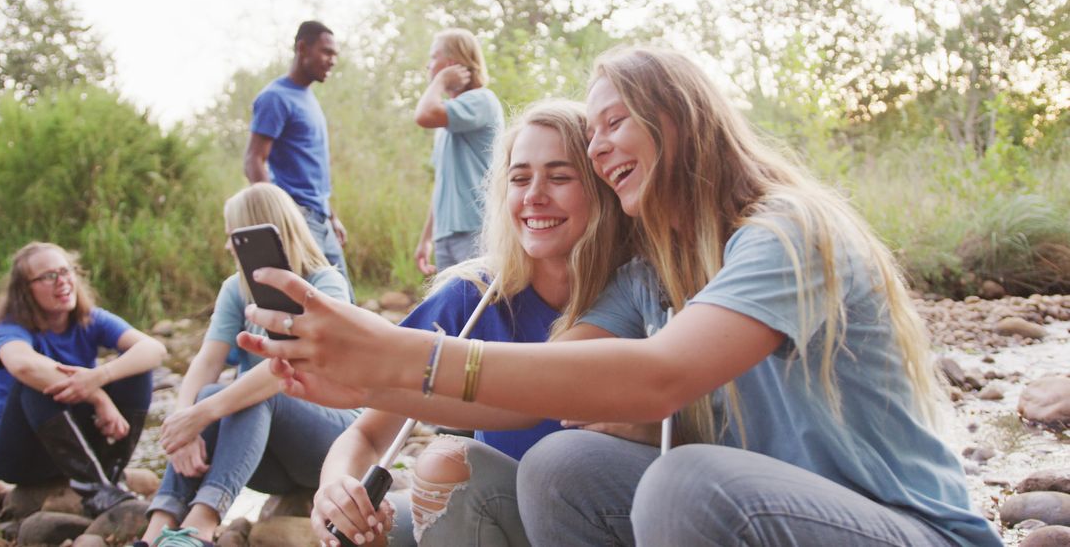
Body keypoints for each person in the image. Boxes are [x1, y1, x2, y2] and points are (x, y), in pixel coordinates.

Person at [239, 46, 1002, 547]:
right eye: (592, 134)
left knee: (686, 479)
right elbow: (529, 392)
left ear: (678, 121)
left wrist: (402, 351)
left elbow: (658, 375)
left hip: (908, 530)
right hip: (773, 525)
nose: (599, 147)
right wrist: (374, 377)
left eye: (612, 124)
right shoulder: (652, 273)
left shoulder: (787, 231)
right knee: (562, 462)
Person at [312, 100, 630, 547]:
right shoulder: (474, 296)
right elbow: (368, 432)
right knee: (365, 533)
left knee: (446, 460)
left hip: (592, 524)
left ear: (601, 187)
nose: (534, 195)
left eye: (559, 177)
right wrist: (335, 489)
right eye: (519, 179)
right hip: (492, 514)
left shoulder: (635, 295)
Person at [136, 183, 359, 547]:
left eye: (232, 238)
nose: (227, 248)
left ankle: (201, 524)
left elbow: (291, 367)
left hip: (331, 444)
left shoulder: (325, 285)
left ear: (257, 233)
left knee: (262, 389)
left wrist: (204, 412)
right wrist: (183, 423)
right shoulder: (236, 288)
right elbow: (207, 362)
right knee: (212, 392)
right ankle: (158, 527)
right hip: (271, 462)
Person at [0, 242, 165, 516]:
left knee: (136, 368)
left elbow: (154, 349)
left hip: (72, 445)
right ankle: (94, 488)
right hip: (16, 454)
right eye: (49, 276)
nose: (62, 282)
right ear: (26, 290)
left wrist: (100, 375)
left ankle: (111, 477)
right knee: (39, 382)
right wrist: (98, 396)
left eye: (66, 271)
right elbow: (23, 366)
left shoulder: (89, 319)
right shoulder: (11, 327)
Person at [245, 20, 349, 278]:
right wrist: (278, 217)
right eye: (326, 52)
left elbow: (310, 168)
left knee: (345, 303)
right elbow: (253, 160)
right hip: (297, 217)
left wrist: (332, 216)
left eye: (335, 54)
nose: (332, 60)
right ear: (302, 48)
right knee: (309, 307)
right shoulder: (276, 97)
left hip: (320, 217)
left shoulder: (308, 98)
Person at [413, 28, 504, 275]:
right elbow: (442, 184)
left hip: (476, 229)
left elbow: (423, 115)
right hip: (446, 235)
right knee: (456, 311)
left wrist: (439, 81)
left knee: (480, 309)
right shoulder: (446, 122)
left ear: (451, 63)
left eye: (434, 58)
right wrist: (426, 239)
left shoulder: (481, 101)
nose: (428, 66)